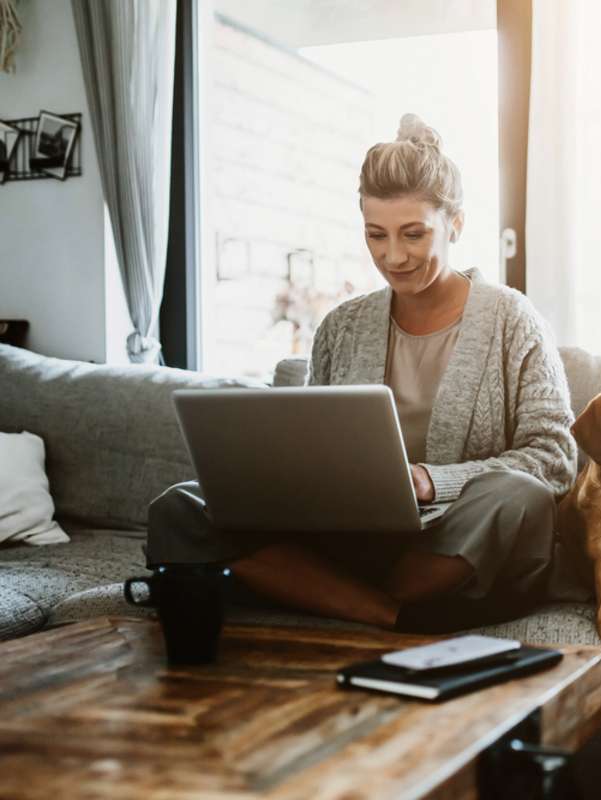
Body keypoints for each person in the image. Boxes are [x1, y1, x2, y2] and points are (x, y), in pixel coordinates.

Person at [145, 114, 579, 631]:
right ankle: (394, 615)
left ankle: (319, 593)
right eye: (376, 235)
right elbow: (310, 447)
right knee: (178, 507)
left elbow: (553, 460)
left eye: (413, 234)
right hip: (350, 539)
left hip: (454, 541)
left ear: (455, 224)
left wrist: (428, 482)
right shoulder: (342, 326)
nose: (393, 256)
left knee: (519, 497)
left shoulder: (512, 319)